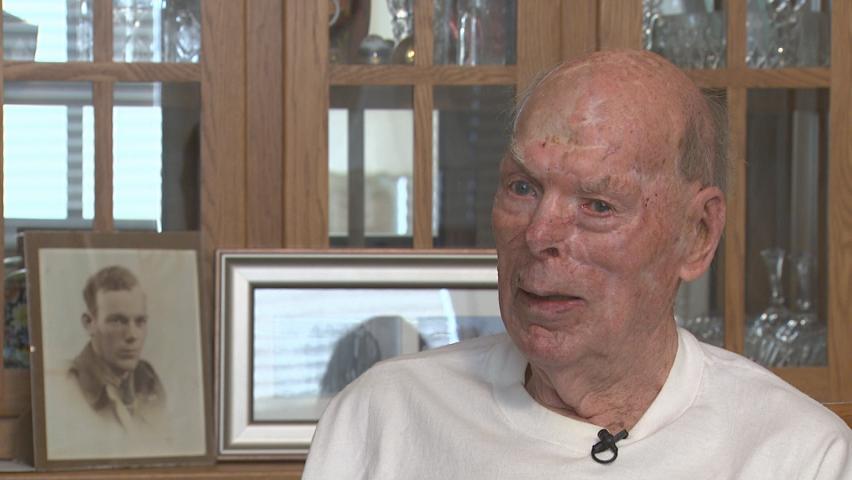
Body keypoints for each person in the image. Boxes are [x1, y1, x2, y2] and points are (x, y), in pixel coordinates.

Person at [302, 50, 851, 478]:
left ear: (697, 235)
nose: (540, 235)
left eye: (598, 205)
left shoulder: (797, 456)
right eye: (522, 188)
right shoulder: (384, 417)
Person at [66, 265, 166, 433]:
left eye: (140, 321)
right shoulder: (68, 387)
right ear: (89, 323)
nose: (132, 335)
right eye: (118, 321)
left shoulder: (148, 378)